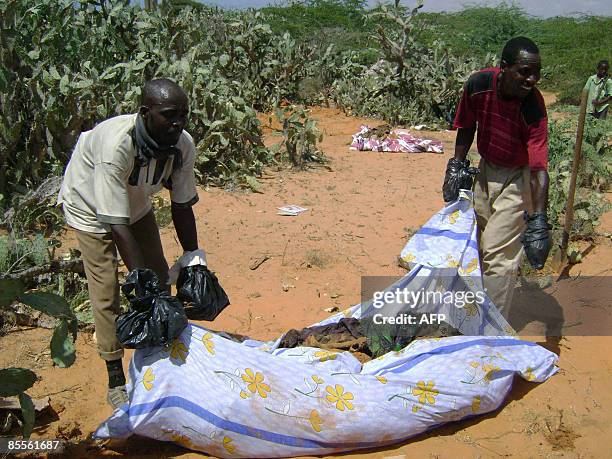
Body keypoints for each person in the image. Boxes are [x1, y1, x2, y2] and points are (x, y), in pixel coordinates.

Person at [58, 79, 202, 408]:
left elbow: (181, 206)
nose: (178, 123)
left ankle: (160, 359)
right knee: (107, 288)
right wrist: (141, 281)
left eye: (184, 114)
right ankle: (115, 376)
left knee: (160, 278)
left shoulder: (183, 145)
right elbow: (115, 224)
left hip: (135, 205)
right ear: (145, 113)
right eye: (169, 115)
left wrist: (195, 258)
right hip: (91, 207)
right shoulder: (115, 148)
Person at [442, 36, 551, 317]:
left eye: (537, 72)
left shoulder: (534, 109)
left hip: (519, 177)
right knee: (477, 244)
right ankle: (472, 311)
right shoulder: (478, 86)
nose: (533, 79)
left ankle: (491, 328)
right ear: (504, 68)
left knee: (497, 254)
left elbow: (539, 169)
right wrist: (456, 165)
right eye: (525, 72)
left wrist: (539, 221)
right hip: (486, 168)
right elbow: (466, 127)